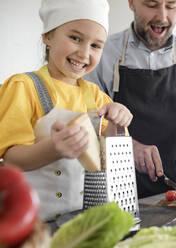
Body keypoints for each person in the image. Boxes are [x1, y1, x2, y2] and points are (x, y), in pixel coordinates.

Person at [0, 0, 133, 220]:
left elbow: (107, 161)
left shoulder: (98, 97)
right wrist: (54, 148)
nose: (84, 53)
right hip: (35, 223)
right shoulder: (23, 87)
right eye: (75, 38)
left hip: (82, 222)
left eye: (95, 46)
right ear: (48, 36)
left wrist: (118, 123)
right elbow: (11, 158)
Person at [86, 0, 176, 198]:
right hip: (118, 190)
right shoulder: (103, 53)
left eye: (171, 5)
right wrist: (127, 146)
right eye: (151, 5)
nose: (162, 16)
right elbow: (88, 117)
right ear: (132, 3)